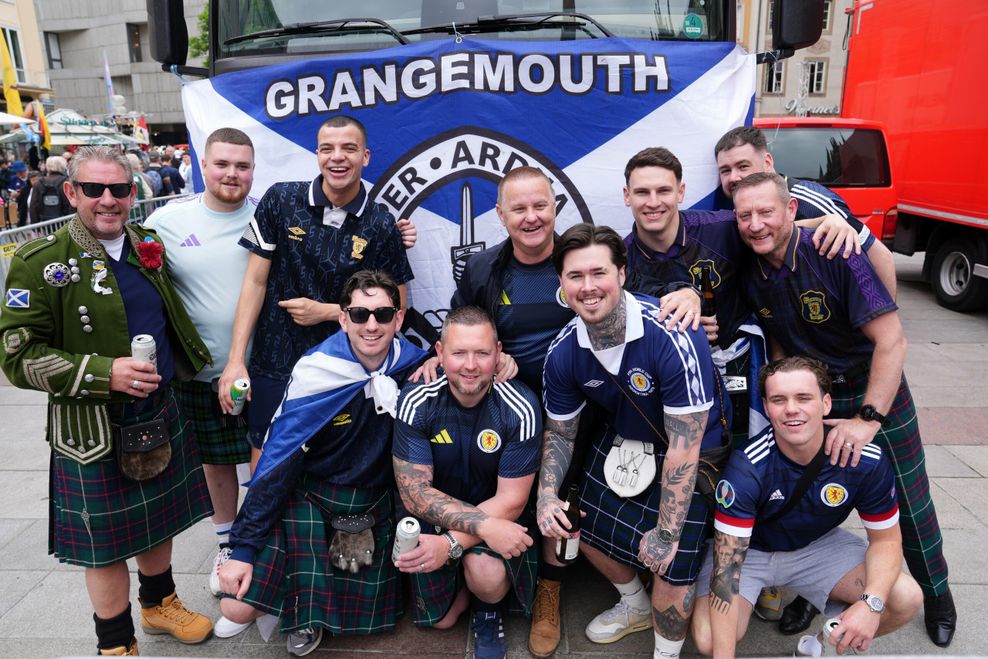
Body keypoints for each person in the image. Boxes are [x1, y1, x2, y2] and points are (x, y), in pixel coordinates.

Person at [0, 146, 214, 655]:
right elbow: (15, 356)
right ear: (71, 192)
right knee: (106, 543)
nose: (107, 200)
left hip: (158, 407)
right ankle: (115, 643)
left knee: (157, 520)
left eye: (119, 189)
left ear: (132, 192)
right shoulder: (39, 262)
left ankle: (159, 606)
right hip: (90, 424)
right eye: (94, 189)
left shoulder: (147, 242)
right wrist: (103, 373)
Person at [732, 172, 956, 647]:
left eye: (766, 212)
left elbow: (892, 341)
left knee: (909, 501)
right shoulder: (750, 265)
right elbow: (777, 338)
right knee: (809, 493)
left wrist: (868, 420)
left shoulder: (834, 249)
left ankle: (938, 594)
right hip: (808, 394)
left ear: (791, 209)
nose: (755, 224)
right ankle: (809, 596)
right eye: (745, 215)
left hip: (870, 385)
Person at [540, 224, 725, 659]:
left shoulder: (673, 333)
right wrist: (547, 495)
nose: (588, 287)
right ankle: (633, 605)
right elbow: (562, 433)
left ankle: (665, 653)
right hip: (629, 437)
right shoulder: (562, 351)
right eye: (575, 276)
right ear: (562, 285)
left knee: (669, 570)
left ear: (622, 274)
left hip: (695, 449)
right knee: (573, 520)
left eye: (598, 273)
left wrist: (665, 533)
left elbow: (686, 448)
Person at [217, 271, 426, 656]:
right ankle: (301, 609)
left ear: (398, 319)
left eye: (383, 314)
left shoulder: (417, 363)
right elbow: (277, 461)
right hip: (312, 498)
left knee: (382, 594)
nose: (372, 325)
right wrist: (243, 549)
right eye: (360, 314)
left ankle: (309, 602)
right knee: (235, 605)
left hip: (377, 501)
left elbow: (468, 373)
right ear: (343, 318)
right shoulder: (317, 372)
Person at [217, 114, 416, 471]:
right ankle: (264, 529)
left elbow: (396, 305)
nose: (337, 157)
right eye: (327, 148)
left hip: (347, 366)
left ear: (366, 157)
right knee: (267, 458)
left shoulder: (381, 223)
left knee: (336, 462)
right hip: (277, 360)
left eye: (348, 148)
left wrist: (326, 312)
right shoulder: (280, 200)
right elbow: (254, 283)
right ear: (317, 154)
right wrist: (236, 359)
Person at [690, 356, 922, 658]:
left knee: (905, 598)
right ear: (766, 406)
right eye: (778, 399)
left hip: (815, 547)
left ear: (825, 403)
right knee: (711, 640)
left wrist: (870, 604)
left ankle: (821, 642)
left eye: (803, 397)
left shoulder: (865, 459)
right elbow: (726, 572)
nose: (791, 409)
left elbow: (887, 540)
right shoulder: (747, 467)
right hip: (750, 553)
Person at [145, 127, 257, 600]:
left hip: (267, 369)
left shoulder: (269, 216)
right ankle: (228, 546)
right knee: (216, 464)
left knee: (270, 460)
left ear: (254, 170)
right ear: (203, 165)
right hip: (200, 372)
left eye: (243, 165)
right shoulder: (166, 221)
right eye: (223, 163)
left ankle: (263, 543)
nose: (232, 173)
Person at [393, 306, 542, 659]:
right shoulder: (416, 399)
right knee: (440, 621)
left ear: (498, 353)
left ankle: (487, 608)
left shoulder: (521, 406)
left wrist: (451, 544)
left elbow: (513, 501)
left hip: (499, 513)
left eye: (482, 353)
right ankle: (461, 588)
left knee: (485, 572)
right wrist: (462, 536)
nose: (471, 365)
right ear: (440, 353)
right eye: (459, 353)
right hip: (440, 518)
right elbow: (415, 494)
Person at [714, 125, 897, 299]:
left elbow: (880, 255)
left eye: (743, 166)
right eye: (725, 170)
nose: (734, 177)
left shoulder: (810, 201)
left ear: (768, 162)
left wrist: (884, 320)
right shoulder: (738, 207)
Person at [30, 155, 74, 223]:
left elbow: (33, 205)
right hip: (65, 223)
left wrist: (35, 225)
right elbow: (72, 203)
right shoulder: (67, 182)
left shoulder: (38, 183)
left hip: (45, 224)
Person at [8, 159, 28, 226]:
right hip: (20, 206)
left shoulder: (31, 178)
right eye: (16, 172)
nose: (18, 173)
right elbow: (11, 193)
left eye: (20, 171)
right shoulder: (14, 179)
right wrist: (15, 194)